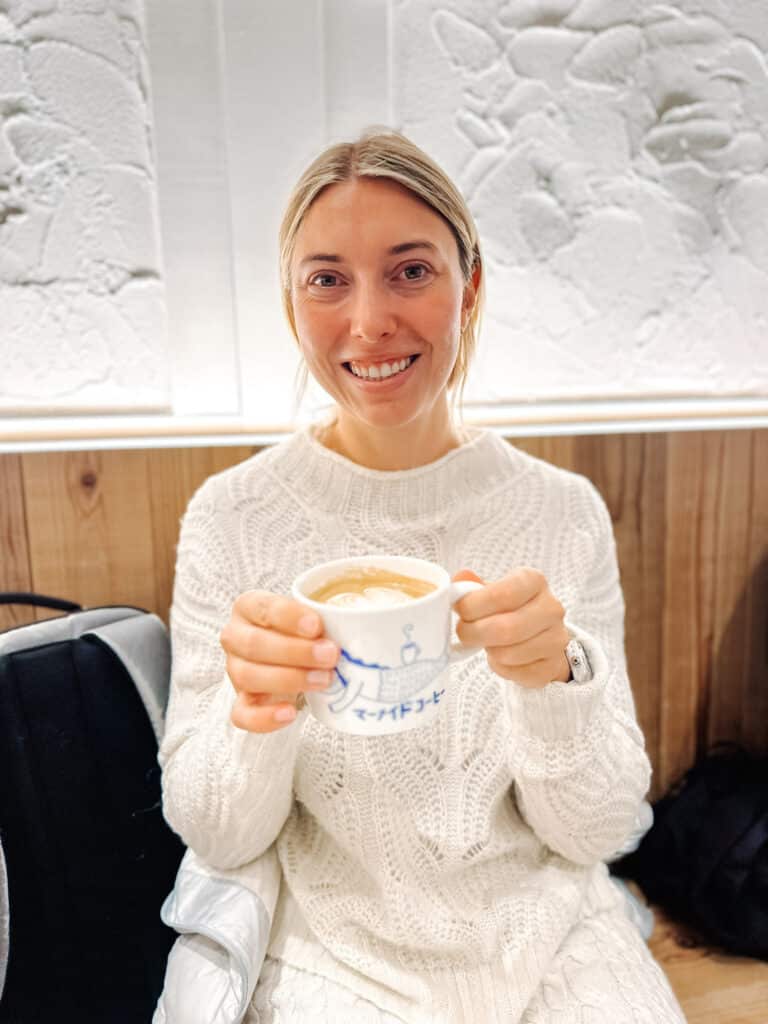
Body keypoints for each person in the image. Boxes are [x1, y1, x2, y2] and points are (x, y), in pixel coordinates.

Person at [156, 130, 686, 1023]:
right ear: (293, 305)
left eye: (410, 272)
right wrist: (256, 714)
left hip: (552, 938)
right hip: (333, 954)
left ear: (469, 288)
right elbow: (217, 833)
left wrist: (556, 682)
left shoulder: (561, 513)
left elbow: (598, 829)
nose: (368, 323)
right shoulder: (231, 516)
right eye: (327, 279)